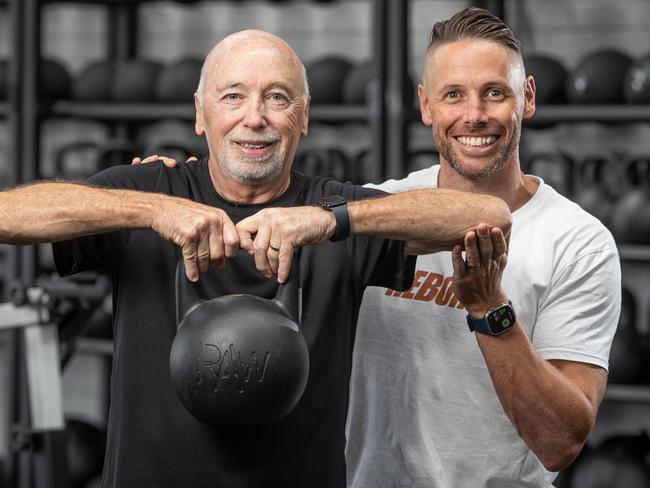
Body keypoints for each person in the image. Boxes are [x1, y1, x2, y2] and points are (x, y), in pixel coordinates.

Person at [0, 30, 511, 487]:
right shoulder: (148, 189)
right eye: (233, 97)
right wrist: (152, 210)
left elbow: (486, 213)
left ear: (304, 117)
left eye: (277, 98)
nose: (255, 117)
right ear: (200, 113)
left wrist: (327, 221)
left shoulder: (338, 207)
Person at [343, 7, 621, 488]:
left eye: (494, 93)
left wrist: (490, 307)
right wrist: (176, 184)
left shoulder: (578, 241)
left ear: (527, 97)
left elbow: (560, 443)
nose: (474, 115)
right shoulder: (378, 212)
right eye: (453, 95)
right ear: (426, 105)